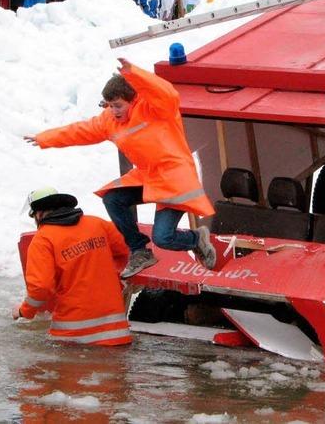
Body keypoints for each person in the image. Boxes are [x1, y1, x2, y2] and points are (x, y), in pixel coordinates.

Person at [24, 58, 216, 279]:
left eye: (118, 105)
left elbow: (168, 94)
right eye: (109, 105)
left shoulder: (154, 110)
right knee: (112, 198)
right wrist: (44, 138)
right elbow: (80, 131)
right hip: (148, 177)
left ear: (132, 101)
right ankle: (139, 251)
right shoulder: (109, 121)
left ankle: (196, 239)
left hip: (174, 179)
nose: (113, 110)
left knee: (163, 238)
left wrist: (134, 73)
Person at [12, 187, 133, 346]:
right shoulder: (97, 224)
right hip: (116, 333)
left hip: (73, 336)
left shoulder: (43, 239)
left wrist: (24, 311)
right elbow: (126, 251)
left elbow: (41, 288)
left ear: (39, 214)